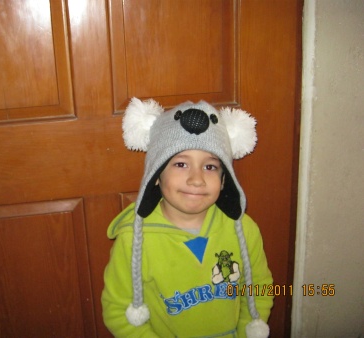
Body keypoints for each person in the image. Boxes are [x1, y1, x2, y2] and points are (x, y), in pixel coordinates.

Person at [102, 98, 273, 338]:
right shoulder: (133, 240)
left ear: (224, 180)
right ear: (157, 175)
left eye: (210, 167)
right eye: (181, 164)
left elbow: (260, 289)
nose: (196, 179)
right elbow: (118, 310)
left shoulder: (244, 230)